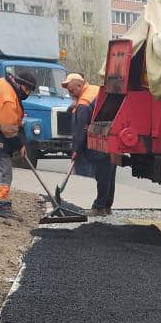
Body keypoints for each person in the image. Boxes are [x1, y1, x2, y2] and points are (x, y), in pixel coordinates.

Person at [0, 68, 36, 217]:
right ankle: (1, 205)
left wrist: (19, 137)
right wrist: (19, 144)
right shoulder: (8, 97)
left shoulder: (5, 83)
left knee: (0, 167)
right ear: (19, 83)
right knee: (3, 168)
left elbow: (11, 120)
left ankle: (2, 201)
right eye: (26, 89)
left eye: (30, 90)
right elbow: (8, 129)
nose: (27, 93)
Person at [64, 72, 115, 216]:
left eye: (72, 90)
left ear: (80, 85)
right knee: (109, 174)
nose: (71, 94)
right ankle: (106, 205)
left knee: (102, 175)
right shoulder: (95, 90)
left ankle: (99, 207)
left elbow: (80, 130)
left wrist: (75, 150)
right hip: (112, 135)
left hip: (99, 142)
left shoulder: (84, 104)